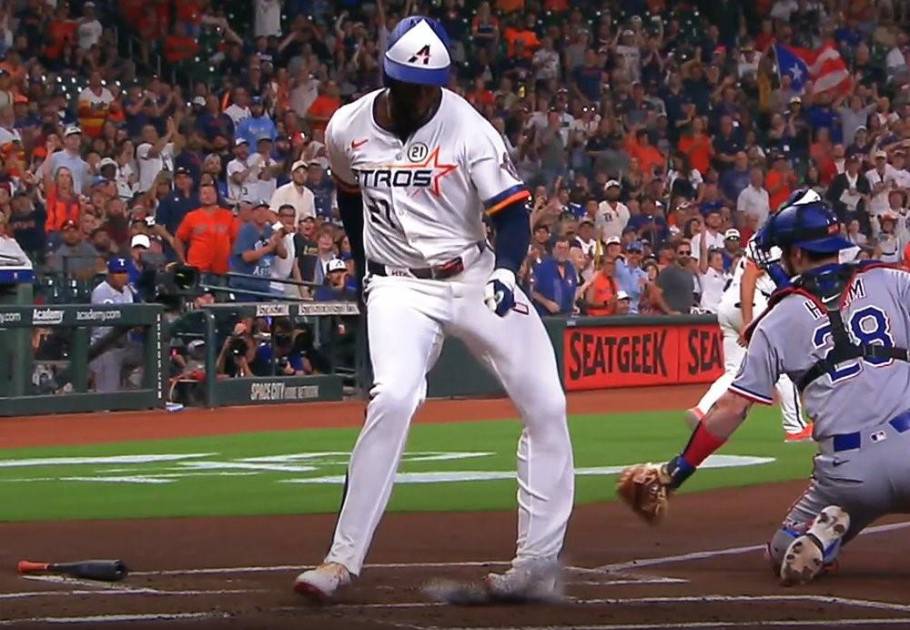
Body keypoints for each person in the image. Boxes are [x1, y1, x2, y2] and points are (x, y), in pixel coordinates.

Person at [295, 16, 573, 603]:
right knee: (394, 397)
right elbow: (349, 197)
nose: (424, 96)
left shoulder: (470, 130)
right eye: (413, 86)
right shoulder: (347, 127)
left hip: (473, 274)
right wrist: (363, 267)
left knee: (547, 404)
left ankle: (536, 562)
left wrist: (505, 270)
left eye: (432, 86)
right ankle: (340, 561)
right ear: (390, 79)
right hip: (398, 286)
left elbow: (512, 214)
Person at [617, 190, 910, 587]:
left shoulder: (776, 320)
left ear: (797, 254)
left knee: (781, 551)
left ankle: (822, 538)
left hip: (849, 473)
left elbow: (731, 410)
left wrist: (676, 471)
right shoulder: (889, 280)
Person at [688, 230, 811, 440]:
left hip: (728, 304)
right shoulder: (777, 247)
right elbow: (752, 275)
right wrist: (747, 321)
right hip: (752, 302)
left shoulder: (759, 242)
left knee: (734, 370)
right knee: (781, 364)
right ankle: (795, 427)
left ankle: (702, 408)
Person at [88, 257, 140, 393]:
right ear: (109, 275)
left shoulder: (128, 290)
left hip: (125, 344)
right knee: (107, 394)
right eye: (118, 273)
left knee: (150, 354)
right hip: (104, 347)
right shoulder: (101, 292)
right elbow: (115, 319)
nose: (122, 276)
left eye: (124, 272)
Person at [174, 182, 239, 275]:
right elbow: (179, 238)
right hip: (197, 268)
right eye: (204, 193)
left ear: (216, 196)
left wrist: (231, 260)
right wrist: (183, 261)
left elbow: (235, 240)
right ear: (199, 197)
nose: (207, 196)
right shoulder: (191, 216)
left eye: (211, 193)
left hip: (222, 269)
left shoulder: (228, 216)